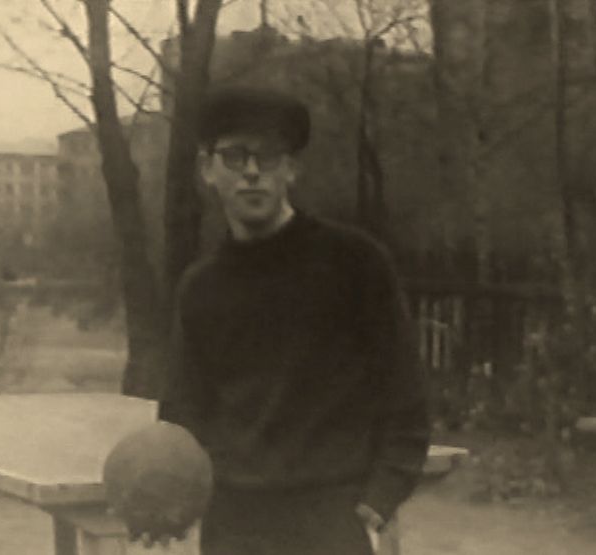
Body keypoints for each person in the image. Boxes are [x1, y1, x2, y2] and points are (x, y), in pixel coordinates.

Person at [159, 86, 430, 555]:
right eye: (234, 156)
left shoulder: (355, 262)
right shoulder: (200, 287)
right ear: (207, 170)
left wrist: (379, 499)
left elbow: (405, 395)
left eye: (267, 156)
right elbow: (183, 415)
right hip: (234, 526)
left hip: (331, 520)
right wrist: (165, 495)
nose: (251, 171)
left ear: (290, 169)